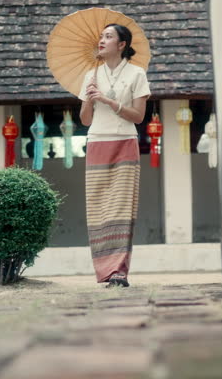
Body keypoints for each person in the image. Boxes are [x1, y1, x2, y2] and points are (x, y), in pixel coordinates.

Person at [79, 23, 150, 287]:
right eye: (101, 36)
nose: (102, 40)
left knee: (121, 207)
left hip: (124, 142)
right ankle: (104, 271)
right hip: (97, 142)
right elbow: (85, 120)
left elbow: (139, 116)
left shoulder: (136, 74)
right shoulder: (91, 75)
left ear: (122, 45)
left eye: (108, 37)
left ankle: (119, 272)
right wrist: (89, 98)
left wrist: (109, 102)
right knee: (97, 209)